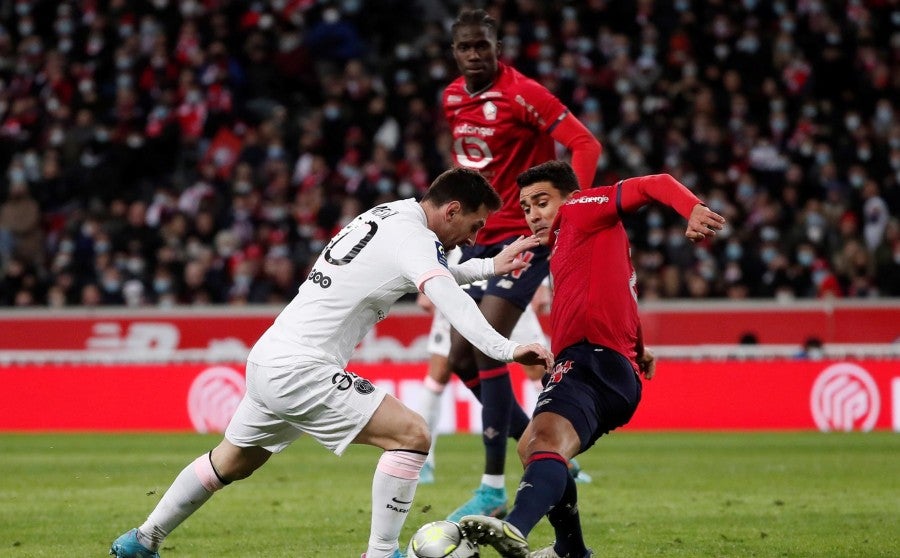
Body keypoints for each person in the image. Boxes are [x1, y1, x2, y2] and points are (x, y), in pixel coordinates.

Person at [109, 167, 554, 558]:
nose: (474, 239)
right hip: (303, 368)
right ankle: (382, 555)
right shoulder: (414, 238)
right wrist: (506, 349)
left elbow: (421, 269)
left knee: (232, 461)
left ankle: (142, 540)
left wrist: (489, 266)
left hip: (270, 357)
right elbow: (446, 297)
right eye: (475, 226)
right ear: (452, 210)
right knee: (412, 435)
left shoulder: (392, 214)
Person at [459, 160, 726, 558]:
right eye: (527, 207)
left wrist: (691, 208)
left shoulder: (581, 208)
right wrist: (639, 350)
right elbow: (618, 296)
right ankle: (570, 549)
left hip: (591, 360)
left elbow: (654, 182)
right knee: (535, 446)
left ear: (568, 197)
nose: (533, 215)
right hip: (608, 365)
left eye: (542, 202)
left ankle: (514, 527)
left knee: (543, 441)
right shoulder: (576, 243)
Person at [441, 8, 602, 521]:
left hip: (524, 235)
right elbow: (472, 168)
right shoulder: (450, 98)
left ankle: (491, 487)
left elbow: (584, 142)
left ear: (497, 46)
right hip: (476, 240)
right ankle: (547, 451)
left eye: (482, 46)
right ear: (455, 52)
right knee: (461, 360)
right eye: (465, 47)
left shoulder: (524, 94)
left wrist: (567, 211)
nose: (474, 55)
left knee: (488, 339)